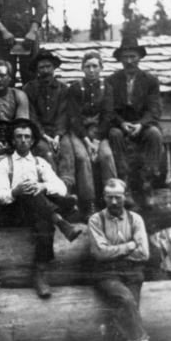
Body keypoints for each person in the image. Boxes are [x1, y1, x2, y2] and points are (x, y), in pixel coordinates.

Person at [0, 118, 83, 298]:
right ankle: (61, 220)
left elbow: (62, 187)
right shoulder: (5, 164)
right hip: (15, 212)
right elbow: (0, 196)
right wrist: (15, 191)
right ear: (12, 140)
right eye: (19, 137)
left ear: (33, 141)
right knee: (27, 190)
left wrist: (42, 186)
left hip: (39, 211)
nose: (23, 140)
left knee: (44, 220)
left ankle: (40, 274)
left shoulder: (39, 162)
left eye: (27, 137)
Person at [88, 178, 159, 341]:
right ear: (104, 198)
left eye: (118, 197)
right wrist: (129, 247)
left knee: (127, 308)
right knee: (126, 299)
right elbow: (99, 253)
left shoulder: (135, 219)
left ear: (125, 196)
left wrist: (115, 251)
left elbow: (144, 253)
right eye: (109, 197)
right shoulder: (95, 220)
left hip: (133, 274)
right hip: (107, 275)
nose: (114, 201)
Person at [102, 36, 163, 200]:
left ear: (139, 58)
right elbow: (109, 110)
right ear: (120, 59)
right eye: (125, 57)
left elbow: (155, 109)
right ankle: (124, 183)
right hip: (120, 126)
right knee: (114, 134)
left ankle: (147, 183)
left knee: (155, 134)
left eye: (133, 57)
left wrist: (141, 125)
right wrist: (122, 124)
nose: (129, 61)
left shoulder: (150, 80)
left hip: (143, 126)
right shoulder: (111, 81)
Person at [62, 51, 117, 218]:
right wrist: (87, 141)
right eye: (87, 66)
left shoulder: (106, 88)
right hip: (79, 133)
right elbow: (74, 117)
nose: (91, 70)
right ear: (82, 68)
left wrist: (98, 141)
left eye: (95, 66)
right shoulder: (75, 88)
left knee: (106, 156)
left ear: (101, 68)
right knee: (82, 158)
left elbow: (107, 116)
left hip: (99, 132)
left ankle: (114, 197)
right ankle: (90, 203)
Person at [22, 49, 69, 171]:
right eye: (41, 67)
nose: (46, 71)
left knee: (66, 151)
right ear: (37, 70)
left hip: (59, 132)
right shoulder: (29, 89)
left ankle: (66, 184)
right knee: (46, 153)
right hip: (38, 133)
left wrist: (58, 136)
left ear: (54, 68)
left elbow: (63, 114)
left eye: (48, 66)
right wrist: (45, 137)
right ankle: (52, 186)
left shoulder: (63, 89)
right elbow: (31, 116)